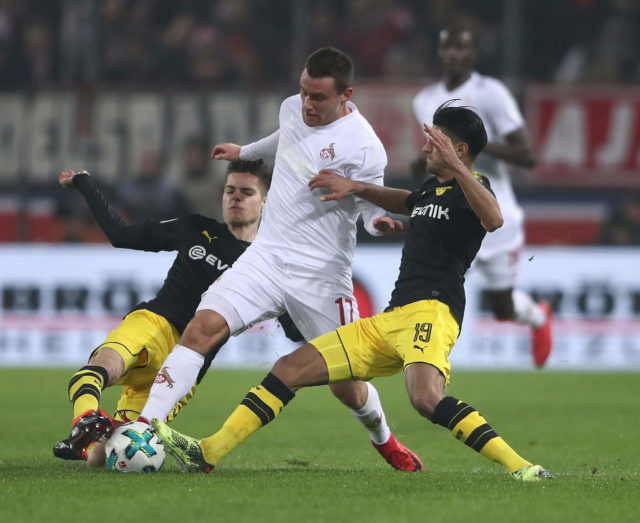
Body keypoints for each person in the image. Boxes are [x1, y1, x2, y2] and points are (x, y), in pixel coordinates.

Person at [152, 103, 553, 482]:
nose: (427, 145)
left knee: (425, 398)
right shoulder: (432, 191)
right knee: (289, 370)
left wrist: (460, 168)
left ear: (458, 149)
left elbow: (494, 219)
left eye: (437, 140)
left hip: (431, 312)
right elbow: (405, 200)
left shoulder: (475, 188)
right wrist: (355, 187)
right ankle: (206, 453)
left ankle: (521, 467)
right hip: (391, 318)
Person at [136, 46, 423, 472]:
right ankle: (145, 426)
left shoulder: (364, 147)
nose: (307, 104)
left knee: (348, 387)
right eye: (304, 92)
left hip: (321, 275)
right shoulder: (292, 108)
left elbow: (369, 207)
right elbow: (283, 138)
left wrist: (380, 222)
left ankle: (384, 438)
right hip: (266, 257)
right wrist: (243, 151)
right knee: (202, 327)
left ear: (347, 94)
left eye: (318, 98)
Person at [53, 159, 304, 467]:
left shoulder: (268, 264)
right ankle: (86, 419)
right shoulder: (196, 229)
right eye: (230, 190)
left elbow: (293, 330)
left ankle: (87, 443)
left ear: (265, 201)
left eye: (246, 192)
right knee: (107, 365)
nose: (235, 197)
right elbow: (122, 235)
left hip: (187, 367)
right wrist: (86, 184)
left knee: (104, 459)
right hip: (155, 324)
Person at [412, 27, 553, 368]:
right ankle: (429, 369)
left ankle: (537, 316)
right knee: (437, 292)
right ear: (439, 52)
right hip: (456, 216)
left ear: (474, 54)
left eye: (462, 49)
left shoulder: (491, 93)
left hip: (497, 213)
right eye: (447, 48)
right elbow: (436, 157)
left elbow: (527, 154)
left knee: (501, 307)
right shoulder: (424, 100)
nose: (454, 55)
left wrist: (473, 141)